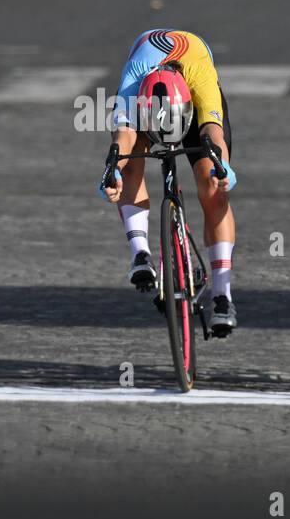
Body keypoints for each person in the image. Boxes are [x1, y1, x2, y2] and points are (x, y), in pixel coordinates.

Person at [101, 30, 238, 335]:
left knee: (213, 187)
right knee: (131, 161)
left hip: (189, 92)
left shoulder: (200, 76)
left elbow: (213, 131)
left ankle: (222, 294)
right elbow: (122, 136)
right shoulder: (133, 83)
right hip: (150, 95)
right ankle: (140, 252)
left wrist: (223, 167)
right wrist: (112, 171)